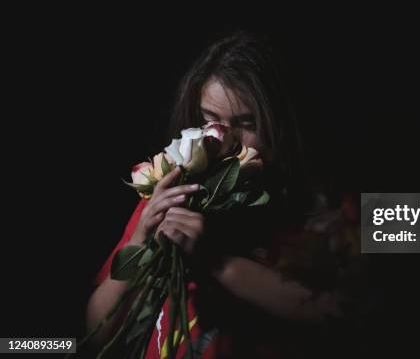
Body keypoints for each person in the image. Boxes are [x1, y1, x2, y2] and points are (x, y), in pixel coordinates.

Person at [86, 30, 364, 358]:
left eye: (247, 123)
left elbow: (350, 313)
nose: (225, 141)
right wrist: (140, 241)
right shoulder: (170, 198)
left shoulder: (327, 210)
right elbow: (95, 335)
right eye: (211, 120)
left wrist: (216, 262)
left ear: (283, 123)